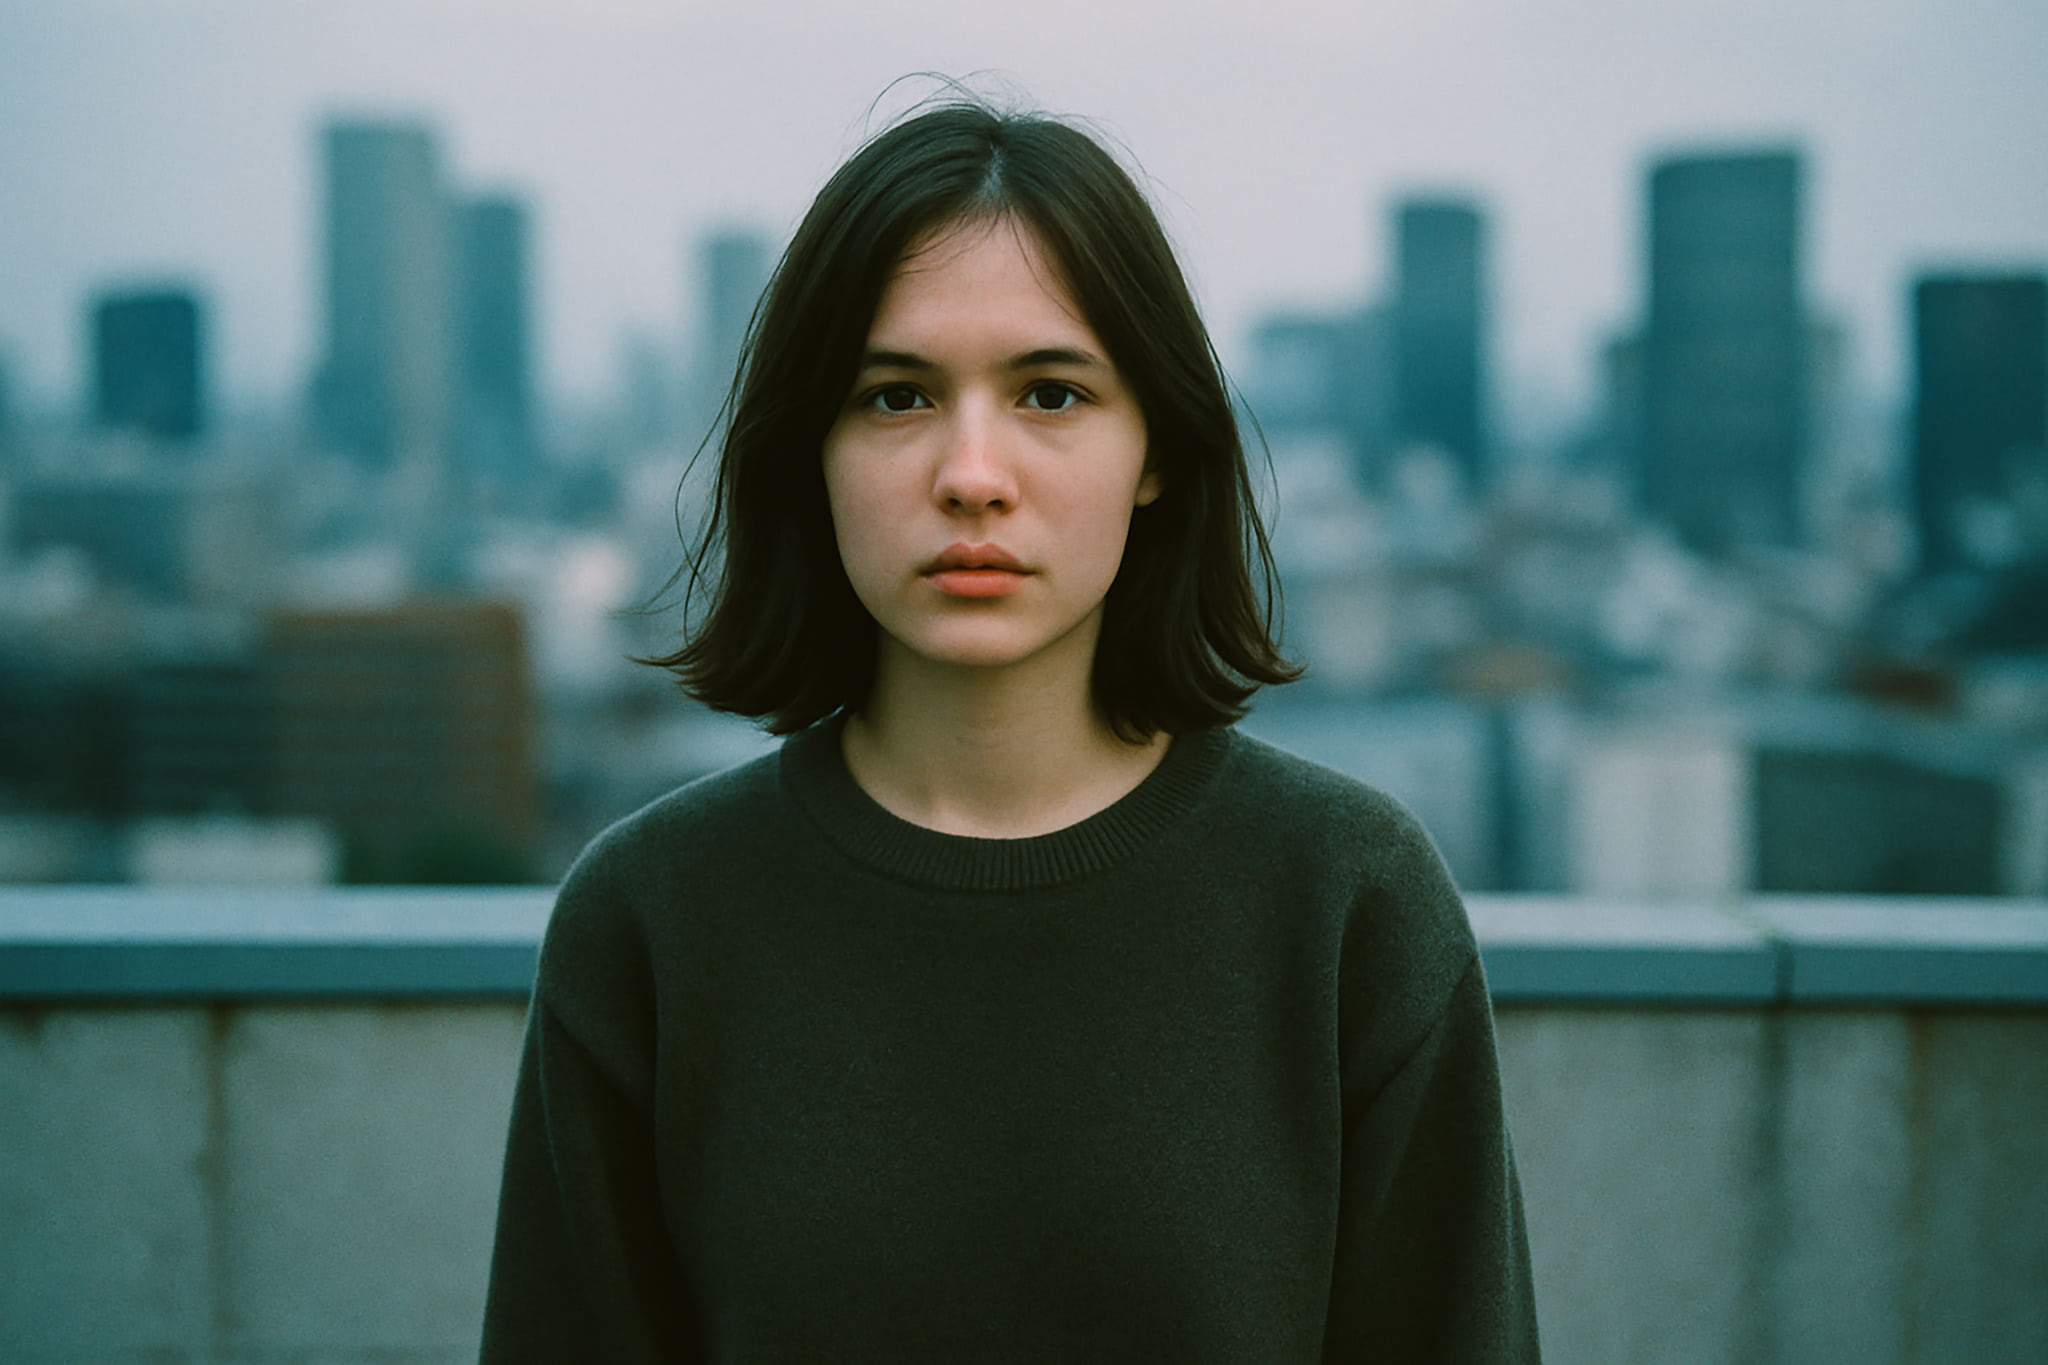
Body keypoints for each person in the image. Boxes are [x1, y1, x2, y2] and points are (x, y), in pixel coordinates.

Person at [481, 97, 1539, 1363]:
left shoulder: (1347, 899)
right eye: (893, 397)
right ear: (806, 450)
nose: (971, 473)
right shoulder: (651, 917)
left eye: (1048, 394)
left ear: (1157, 450)